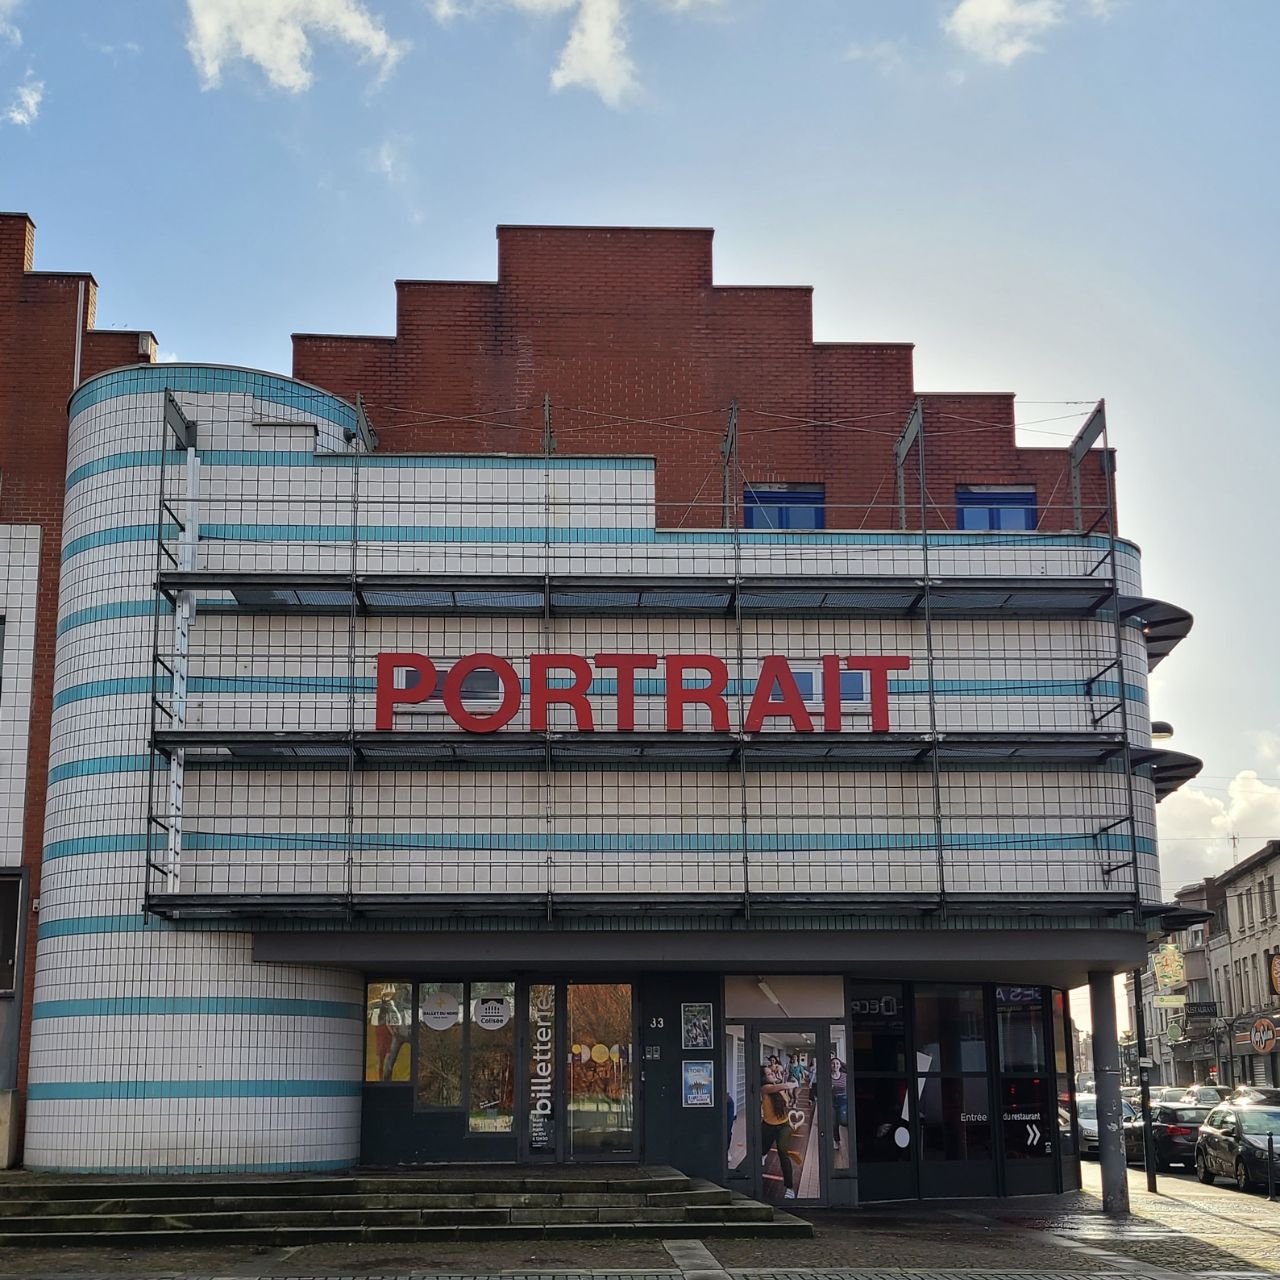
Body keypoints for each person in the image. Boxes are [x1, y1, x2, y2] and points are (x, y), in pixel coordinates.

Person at [761, 1064, 797, 1200]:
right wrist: (792, 1083)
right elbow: (784, 1085)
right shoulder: (764, 1088)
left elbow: (787, 1102)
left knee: (783, 1153)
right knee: (763, 1149)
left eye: (772, 1073)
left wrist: (779, 1079)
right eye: (769, 1074)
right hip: (768, 1125)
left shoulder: (777, 1087)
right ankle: (763, 1154)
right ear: (763, 1078)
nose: (772, 1075)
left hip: (784, 1125)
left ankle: (789, 1187)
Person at [830, 1054, 849, 1149]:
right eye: (833, 1064)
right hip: (832, 1101)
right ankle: (836, 1141)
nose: (835, 1065)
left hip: (843, 1100)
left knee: (843, 1121)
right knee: (834, 1123)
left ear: (840, 1065)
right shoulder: (828, 1077)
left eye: (837, 1063)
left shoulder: (845, 1076)